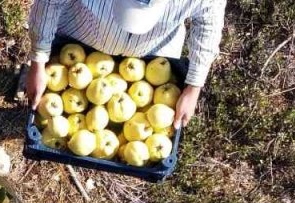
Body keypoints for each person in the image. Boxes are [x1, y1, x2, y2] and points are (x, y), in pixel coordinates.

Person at [24, 0, 228, 129]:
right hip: (80, 36)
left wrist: (194, 87)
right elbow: (49, 3)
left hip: (152, 57)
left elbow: (209, 21)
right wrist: (38, 62)